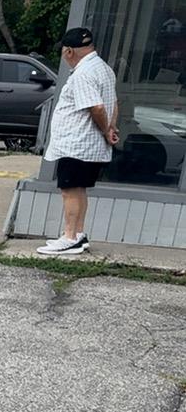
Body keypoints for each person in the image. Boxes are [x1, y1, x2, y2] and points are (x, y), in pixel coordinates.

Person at [38, 26, 119, 255]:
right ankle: (79, 235)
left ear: (69, 51)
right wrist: (111, 127)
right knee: (80, 189)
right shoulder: (103, 68)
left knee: (70, 189)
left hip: (78, 143)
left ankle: (70, 236)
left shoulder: (84, 73)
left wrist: (105, 130)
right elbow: (114, 102)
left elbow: (97, 106)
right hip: (89, 145)